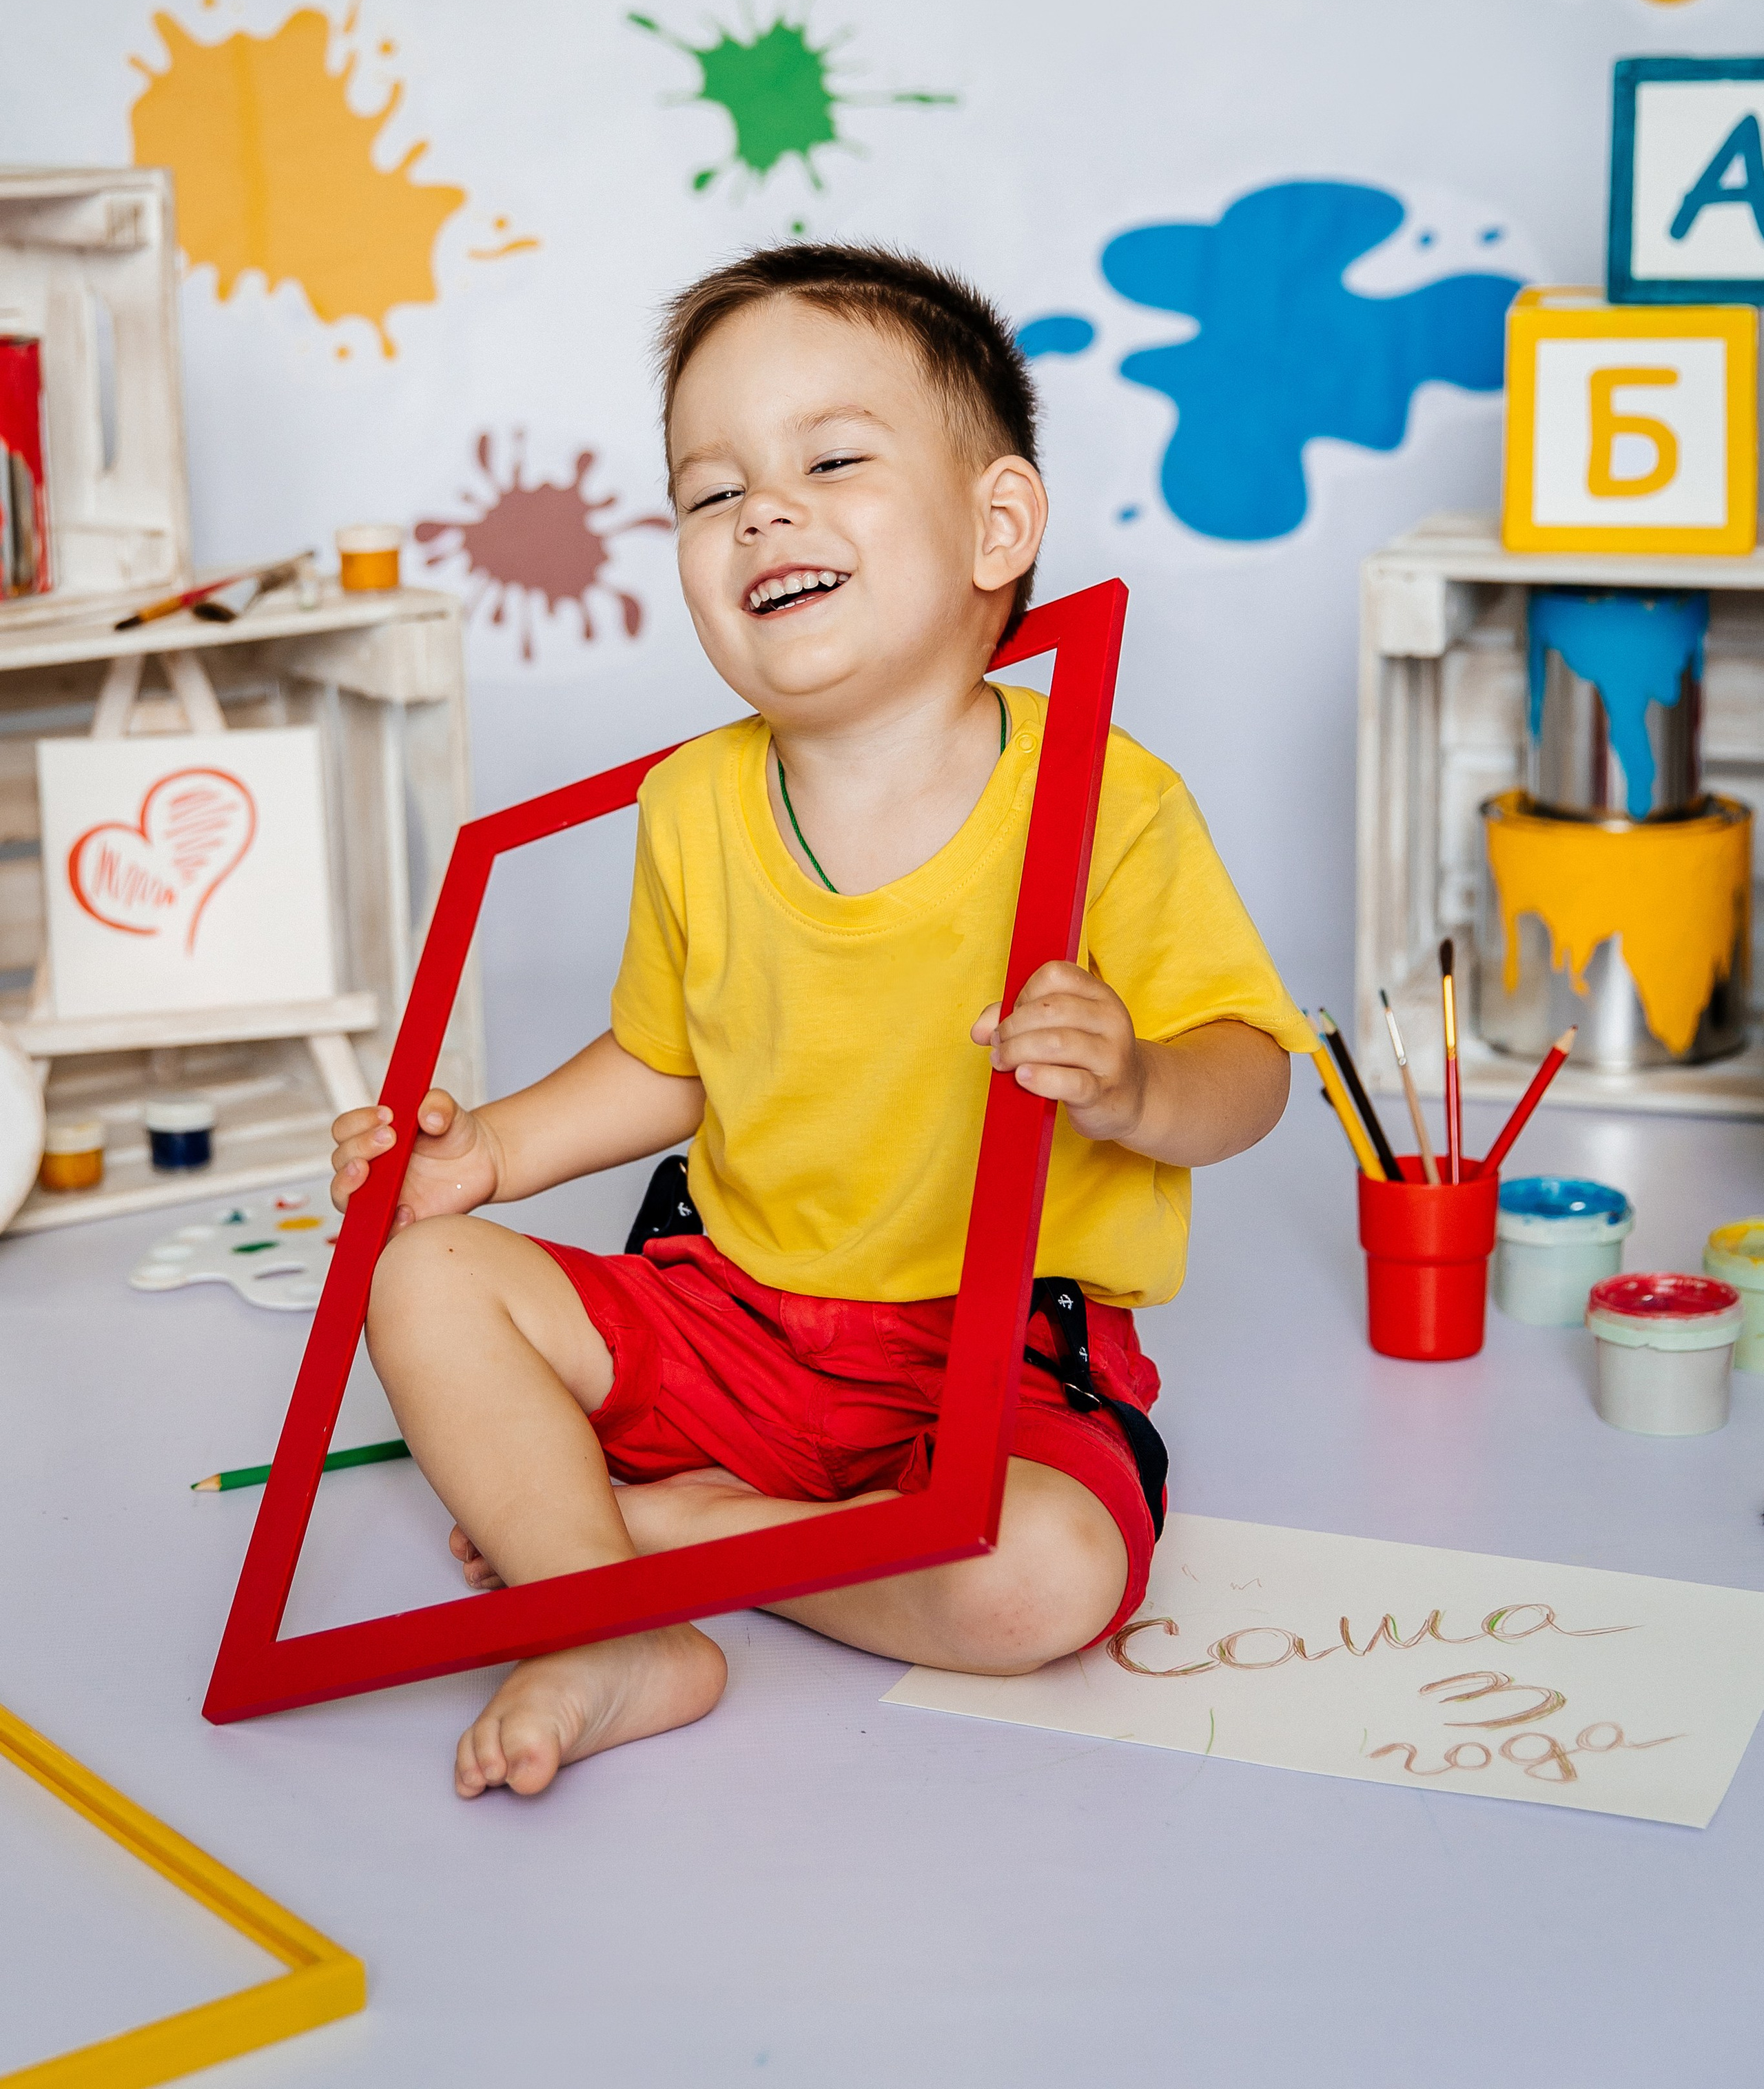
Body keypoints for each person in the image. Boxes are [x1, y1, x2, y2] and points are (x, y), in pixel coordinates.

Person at [331, 243, 1312, 1799]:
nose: (761, 514)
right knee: (424, 1275)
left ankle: (650, 1536)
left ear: (996, 526)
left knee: (1042, 1583)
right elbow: (668, 1060)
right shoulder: (692, 802)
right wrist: (487, 1156)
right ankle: (608, 1626)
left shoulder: (1107, 800)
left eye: (832, 461)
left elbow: (1252, 1073)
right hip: (735, 1315)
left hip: (990, 1349)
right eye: (710, 491)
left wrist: (1134, 1081)